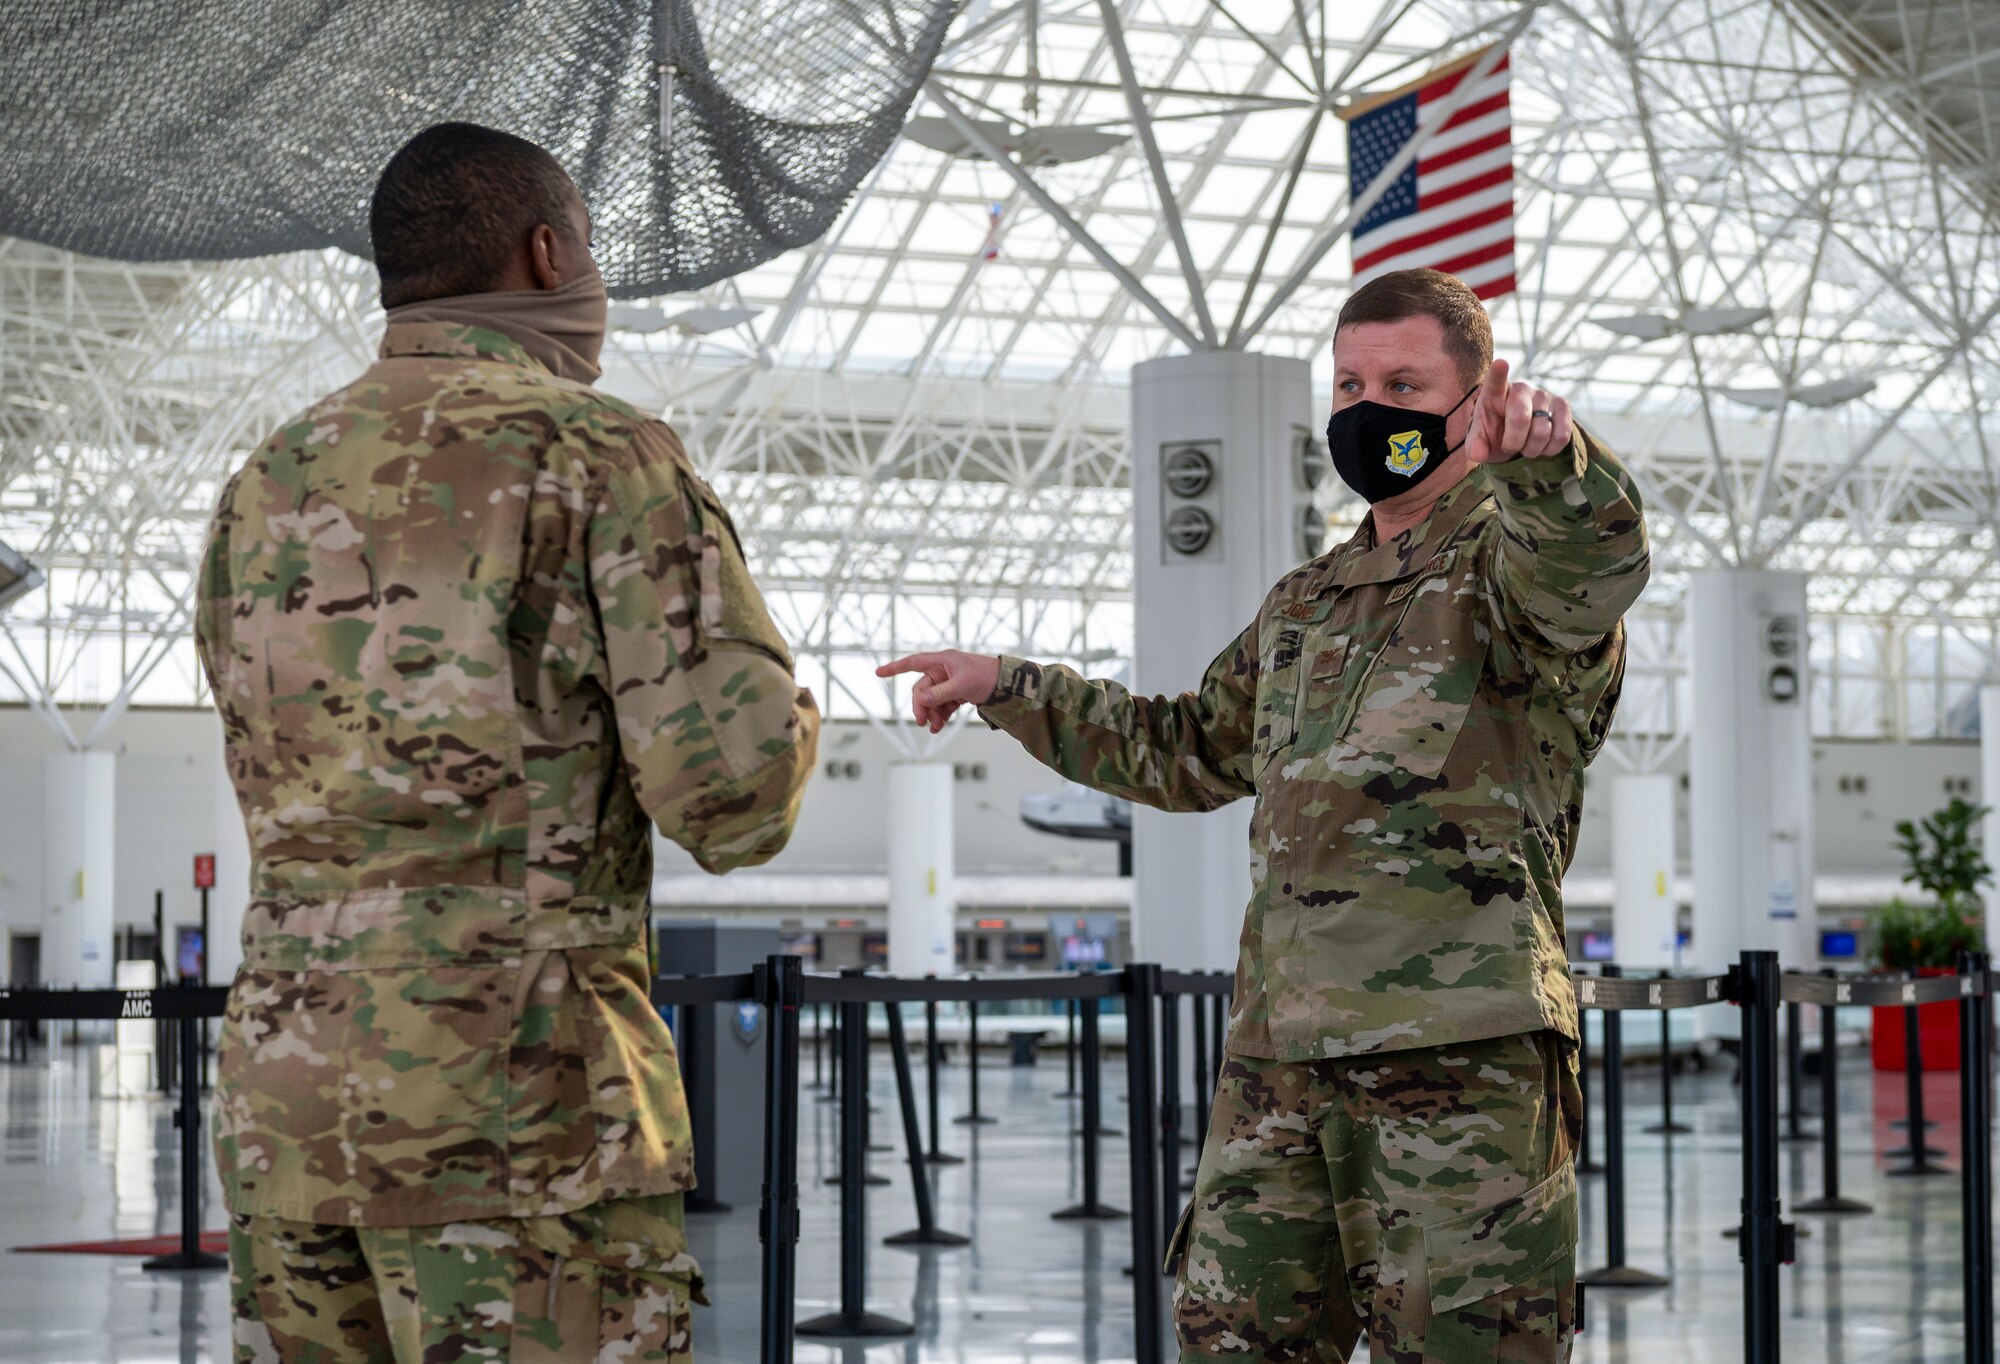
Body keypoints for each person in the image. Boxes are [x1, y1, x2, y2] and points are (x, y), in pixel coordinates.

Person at [878, 267, 1649, 1362]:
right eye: (1345, 382)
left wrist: (1556, 463)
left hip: (1457, 1056)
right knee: (1233, 1338)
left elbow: (1591, 567)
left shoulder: (1506, 566)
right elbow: (1184, 747)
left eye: (1399, 380)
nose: (1364, 404)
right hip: (1278, 1055)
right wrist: (1007, 683)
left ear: (1470, 402)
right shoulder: (1304, 602)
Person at [195, 121, 819, 1364]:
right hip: (520, 1121)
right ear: (547, 252)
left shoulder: (265, 480)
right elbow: (734, 796)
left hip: (288, 1114)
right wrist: (790, 705)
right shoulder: (595, 453)